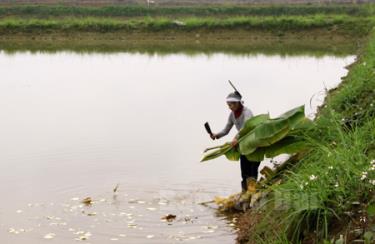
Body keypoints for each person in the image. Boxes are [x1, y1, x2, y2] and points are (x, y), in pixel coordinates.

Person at [210, 91, 261, 192]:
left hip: (254, 144)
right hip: (243, 145)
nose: (230, 107)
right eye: (228, 105)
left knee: (252, 170)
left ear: (238, 103)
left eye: (231, 105)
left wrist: (236, 138)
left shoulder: (247, 112)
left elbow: (245, 127)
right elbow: (226, 130)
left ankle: (253, 193)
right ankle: (244, 193)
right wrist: (217, 135)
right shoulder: (232, 115)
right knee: (244, 172)